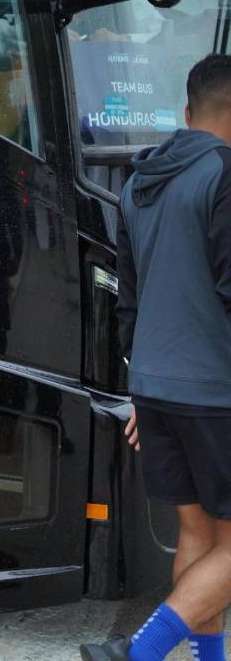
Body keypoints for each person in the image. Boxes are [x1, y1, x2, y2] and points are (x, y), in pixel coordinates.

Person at [82, 54, 231, 661]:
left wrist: (147, 389)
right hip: (218, 389)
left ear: (189, 111)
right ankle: (139, 653)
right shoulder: (225, 174)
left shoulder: (141, 180)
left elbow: (130, 300)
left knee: (199, 532)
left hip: (157, 386)